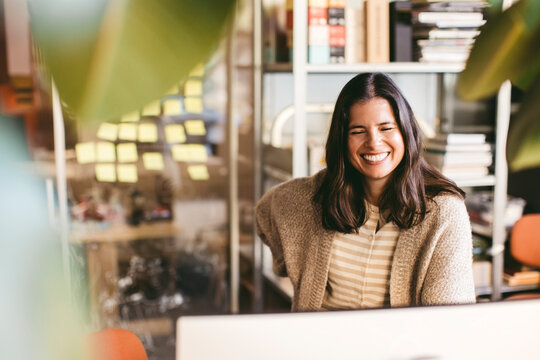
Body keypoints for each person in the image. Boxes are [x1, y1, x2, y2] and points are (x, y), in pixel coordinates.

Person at [255, 72, 476, 311]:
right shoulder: (313, 197)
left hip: (397, 347)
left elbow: (450, 320)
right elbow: (265, 211)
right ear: (342, 140)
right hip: (319, 344)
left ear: (406, 132)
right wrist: (290, 260)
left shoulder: (443, 213)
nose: (373, 142)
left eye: (386, 128)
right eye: (358, 131)